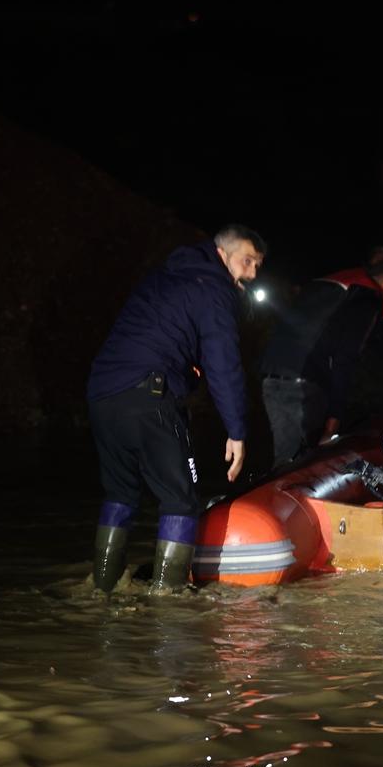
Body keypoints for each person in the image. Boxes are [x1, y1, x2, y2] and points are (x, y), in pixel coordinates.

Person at [86, 225, 266, 593]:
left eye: (258, 266)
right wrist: (236, 431)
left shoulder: (168, 275)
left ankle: (101, 588)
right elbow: (223, 364)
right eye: (247, 262)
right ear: (223, 254)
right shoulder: (214, 289)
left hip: (102, 393)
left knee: (120, 494)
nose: (251, 273)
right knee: (181, 502)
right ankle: (170, 602)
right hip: (149, 395)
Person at [258, 246, 383, 467]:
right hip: (304, 388)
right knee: (300, 467)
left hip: (272, 376)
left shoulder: (331, 284)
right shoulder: (367, 297)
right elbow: (345, 359)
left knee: (286, 461)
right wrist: (333, 421)